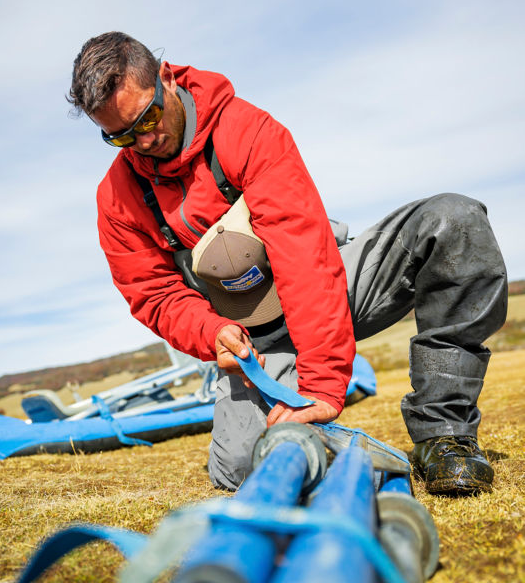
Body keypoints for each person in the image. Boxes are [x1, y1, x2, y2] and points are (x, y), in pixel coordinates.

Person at [68, 31, 507, 494]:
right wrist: (208, 330)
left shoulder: (245, 130)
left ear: (166, 78)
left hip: (332, 287)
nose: (145, 140)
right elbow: (154, 293)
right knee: (242, 467)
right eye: (120, 137)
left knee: (452, 221)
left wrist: (321, 383)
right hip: (252, 341)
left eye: (148, 117)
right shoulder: (116, 199)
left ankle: (445, 434)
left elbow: (304, 256)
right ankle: (341, 455)